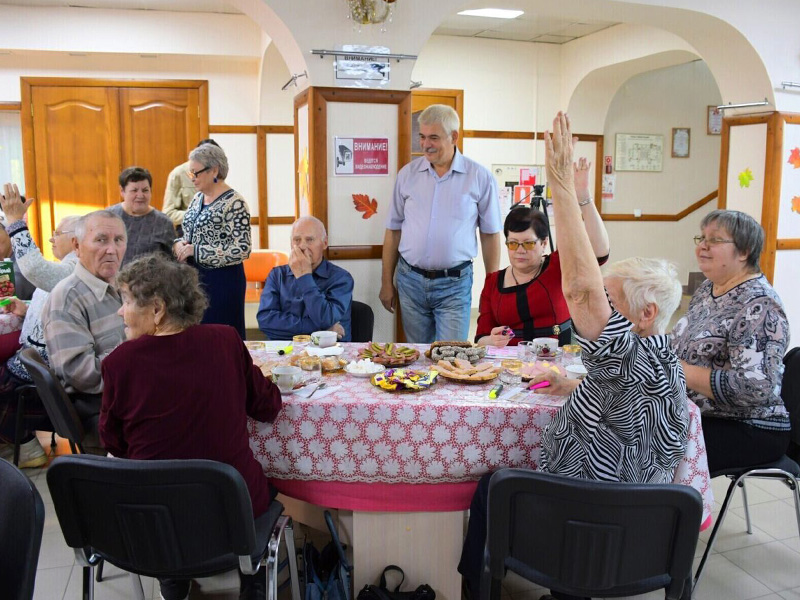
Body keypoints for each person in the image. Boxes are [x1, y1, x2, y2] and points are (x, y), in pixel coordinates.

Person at [458, 113, 689, 600]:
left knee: (488, 485)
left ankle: (478, 591)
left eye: (613, 302)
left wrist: (561, 183)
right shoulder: (658, 357)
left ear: (644, 314)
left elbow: (582, 291)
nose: (602, 308)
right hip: (629, 531)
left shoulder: (625, 350)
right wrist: (574, 386)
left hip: (583, 521)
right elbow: (623, 405)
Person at [100, 253, 282, 600]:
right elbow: (268, 407)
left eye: (125, 301)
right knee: (265, 482)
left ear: (157, 309)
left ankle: (173, 576)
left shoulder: (119, 363)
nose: (120, 312)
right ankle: (253, 575)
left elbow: (114, 442)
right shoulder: (226, 340)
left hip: (155, 519)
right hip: (232, 511)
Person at [672, 209, 790, 473]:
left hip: (750, 428)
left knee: (644, 440)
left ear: (744, 251)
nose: (702, 246)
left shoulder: (759, 304)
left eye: (714, 240)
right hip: (701, 414)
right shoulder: (708, 288)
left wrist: (675, 368)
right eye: (701, 238)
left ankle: (662, 512)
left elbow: (754, 389)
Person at [380, 104, 502, 343]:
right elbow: (393, 230)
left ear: (454, 136)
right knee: (419, 358)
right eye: (422, 137)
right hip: (410, 282)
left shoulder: (479, 177)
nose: (426, 145)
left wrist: (492, 287)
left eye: (433, 137)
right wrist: (386, 282)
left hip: (454, 285)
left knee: (453, 354)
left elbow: (490, 235)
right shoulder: (407, 175)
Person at [475, 159, 609, 348]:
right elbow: (481, 337)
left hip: (555, 363)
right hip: (511, 364)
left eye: (528, 243)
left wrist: (584, 197)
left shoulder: (557, 265)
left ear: (544, 243)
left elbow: (598, 252)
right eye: (513, 244)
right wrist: (491, 340)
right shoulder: (492, 282)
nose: (520, 251)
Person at [0, 184, 80, 467]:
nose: (50, 239)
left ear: (76, 241)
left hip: (48, 364)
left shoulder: (76, 267)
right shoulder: (68, 266)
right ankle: (16, 439)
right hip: (37, 356)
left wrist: (15, 222)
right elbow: (48, 298)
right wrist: (24, 307)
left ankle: (22, 442)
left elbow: (38, 272)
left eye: (56, 233)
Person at [42, 210, 127, 435]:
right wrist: (138, 360)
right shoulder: (66, 298)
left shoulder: (124, 286)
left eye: (118, 240)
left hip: (126, 391)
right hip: (99, 406)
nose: (112, 250)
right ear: (77, 247)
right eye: (101, 240)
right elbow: (81, 374)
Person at [173, 143, 251, 339]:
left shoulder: (235, 202)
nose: (192, 179)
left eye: (196, 173)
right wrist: (179, 244)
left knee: (219, 339)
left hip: (222, 282)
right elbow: (190, 234)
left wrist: (196, 251)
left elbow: (242, 249)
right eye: (190, 173)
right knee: (195, 337)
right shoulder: (198, 198)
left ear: (214, 170)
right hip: (195, 279)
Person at [257, 216, 353, 341]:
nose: (302, 246)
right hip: (286, 352)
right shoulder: (277, 275)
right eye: (297, 240)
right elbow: (265, 321)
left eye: (310, 240)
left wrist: (304, 277)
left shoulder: (341, 278)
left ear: (324, 243)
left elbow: (326, 319)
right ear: (291, 243)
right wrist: (319, 331)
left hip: (328, 353)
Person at [108, 166, 176, 266]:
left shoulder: (164, 223)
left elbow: (173, 262)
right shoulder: (108, 217)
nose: (140, 196)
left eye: (145, 190)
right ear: (122, 191)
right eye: (134, 190)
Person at [162, 138, 221, 234]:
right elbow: (168, 214)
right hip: (187, 233)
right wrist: (199, 215)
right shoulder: (179, 174)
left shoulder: (217, 172)